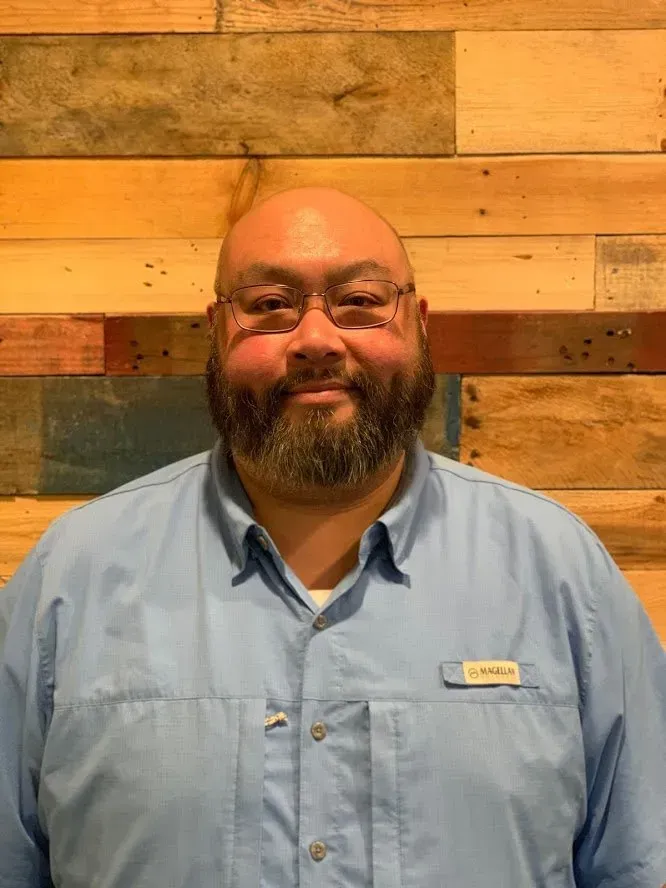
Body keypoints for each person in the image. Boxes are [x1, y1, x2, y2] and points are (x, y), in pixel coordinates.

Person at [0, 187, 664, 888]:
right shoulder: (70, 580)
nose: (316, 340)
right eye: (269, 305)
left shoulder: (561, 575)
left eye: (360, 301)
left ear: (419, 325)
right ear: (216, 333)